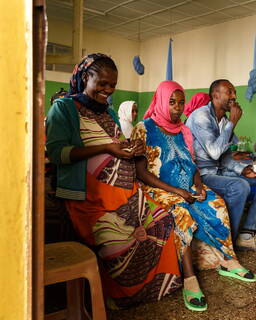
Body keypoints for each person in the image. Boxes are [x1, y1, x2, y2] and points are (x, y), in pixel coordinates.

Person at [46, 54, 182, 309]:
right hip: (89, 199)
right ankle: (116, 299)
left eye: (112, 86)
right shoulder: (63, 109)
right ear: (86, 78)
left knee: (163, 221)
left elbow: (118, 145)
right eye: (103, 83)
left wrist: (133, 147)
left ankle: (152, 290)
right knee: (116, 243)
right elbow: (58, 154)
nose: (107, 91)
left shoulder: (108, 113)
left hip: (127, 196)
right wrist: (106, 148)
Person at [131, 80, 256, 311]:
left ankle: (227, 260)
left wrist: (198, 186)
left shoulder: (183, 130)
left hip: (187, 186)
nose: (177, 108)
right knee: (179, 211)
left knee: (215, 202)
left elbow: (193, 164)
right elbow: (140, 172)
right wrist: (177, 191)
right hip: (158, 189)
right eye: (171, 102)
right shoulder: (144, 128)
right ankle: (190, 278)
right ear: (160, 101)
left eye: (181, 103)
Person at [186, 79, 256, 253]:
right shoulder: (200, 116)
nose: (234, 97)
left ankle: (247, 236)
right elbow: (214, 153)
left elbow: (225, 157)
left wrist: (243, 169)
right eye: (230, 92)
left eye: (234, 92)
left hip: (220, 171)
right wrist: (233, 123)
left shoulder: (223, 121)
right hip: (201, 175)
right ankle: (227, 243)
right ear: (215, 95)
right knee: (239, 186)